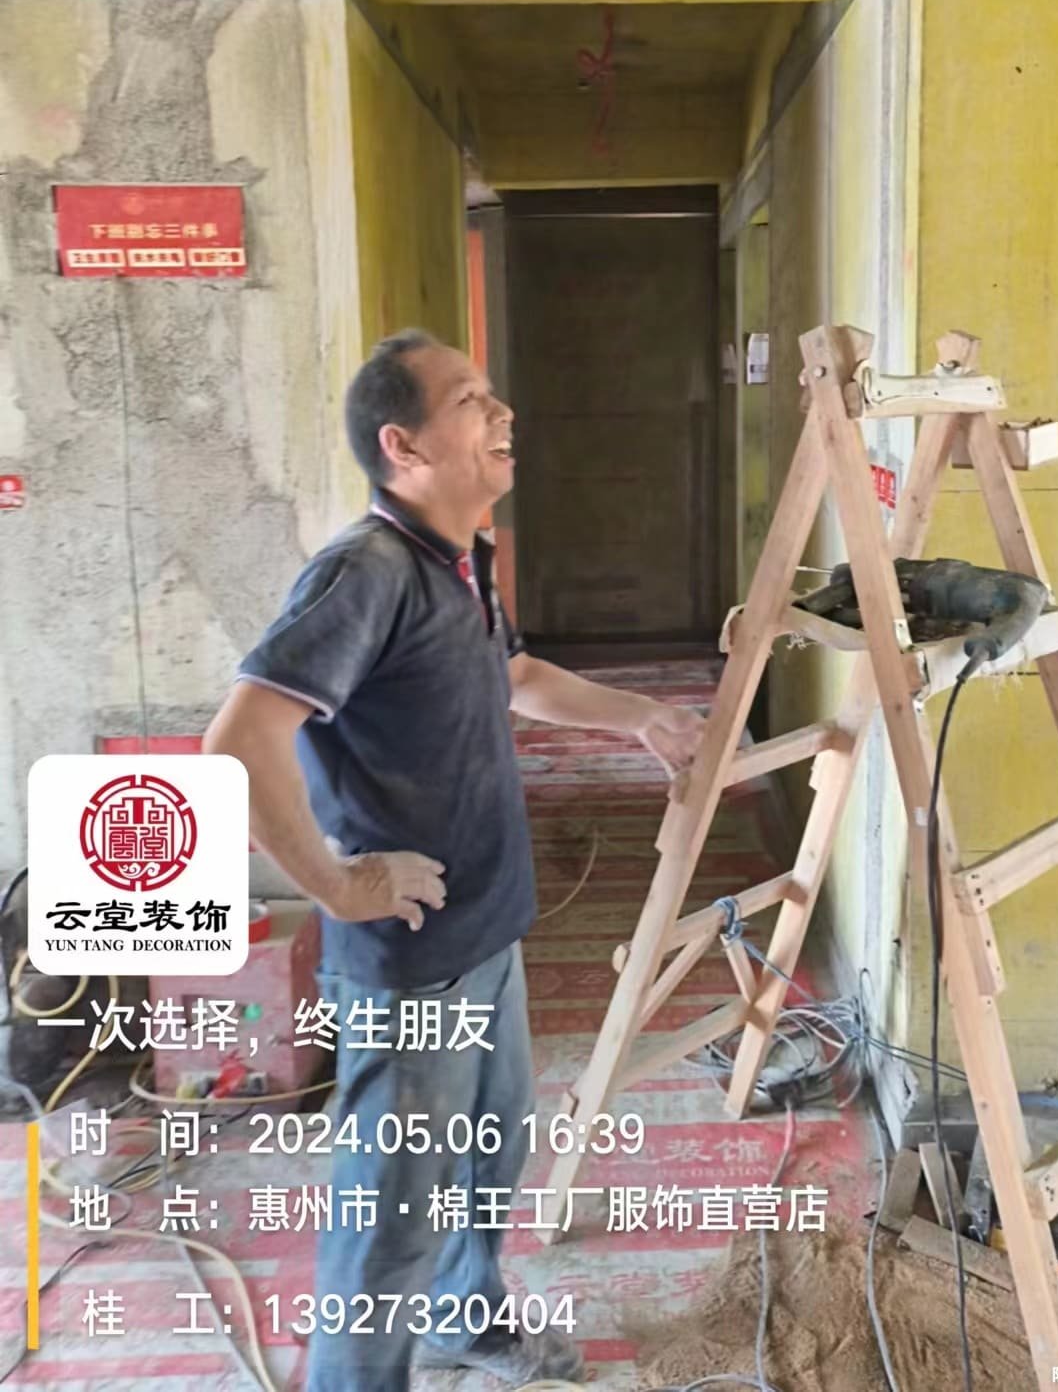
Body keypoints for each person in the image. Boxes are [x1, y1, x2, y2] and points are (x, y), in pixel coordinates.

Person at [203, 328, 706, 1391]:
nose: (502, 411)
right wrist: (340, 884)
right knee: (391, 1211)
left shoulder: (459, 558)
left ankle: (463, 1316)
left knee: (489, 1152)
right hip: (411, 964)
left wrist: (642, 716)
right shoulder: (364, 574)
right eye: (472, 400)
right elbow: (241, 741)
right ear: (405, 445)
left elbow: (512, 675)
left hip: (485, 930)